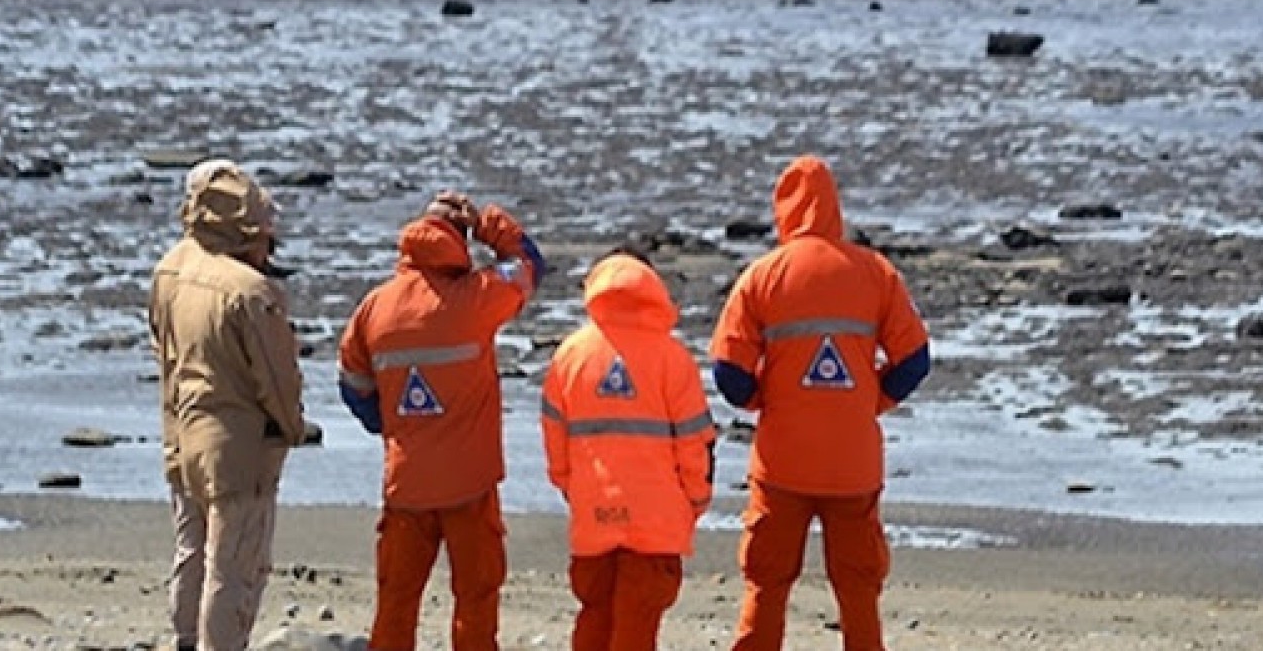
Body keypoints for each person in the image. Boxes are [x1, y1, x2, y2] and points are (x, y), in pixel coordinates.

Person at [708, 155, 932, 651]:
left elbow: (728, 374)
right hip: (852, 466)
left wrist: (768, 400)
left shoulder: (762, 276)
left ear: (782, 210)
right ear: (836, 208)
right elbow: (916, 361)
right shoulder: (875, 273)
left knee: (765, 585)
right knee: (858, 591)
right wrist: (871, 399)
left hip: (782, 462)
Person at [337, 191, 547, 651]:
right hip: (470, 485)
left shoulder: (375, 307)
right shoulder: (477, 298)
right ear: (460, 241)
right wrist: (488, 222)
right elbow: (530, 265)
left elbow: (353, 386)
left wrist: (396, 424)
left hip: (407, 481)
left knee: (396, 601)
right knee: (475, 599)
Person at [149, 159, 306, 651]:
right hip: (237, 448)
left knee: (190, 549)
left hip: (181, 432)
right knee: (234, 565)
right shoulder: (251, 292)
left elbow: (162, 344)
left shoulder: (171, 266)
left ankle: (185, 639)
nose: (270, 243)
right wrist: (293, 428)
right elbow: (277, 381)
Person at [540, 250, 717, 651]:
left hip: (594, 513)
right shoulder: (673, 357)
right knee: (637, 628)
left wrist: (573, 489)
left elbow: (555, 439)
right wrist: (696, 500)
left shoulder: (571, 354)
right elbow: (696, 442)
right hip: (656, 520)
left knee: (594, 618)